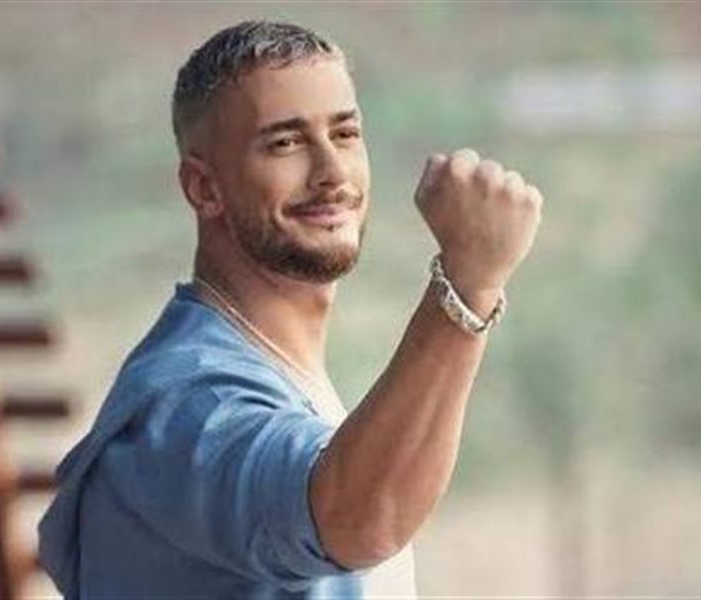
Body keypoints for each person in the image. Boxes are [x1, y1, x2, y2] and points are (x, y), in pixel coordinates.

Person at [38, 19, 542, 599]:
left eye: (345, 134)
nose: (332, 173)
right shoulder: (192, 406)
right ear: (204, 188)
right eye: (285, 143)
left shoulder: (269, 374)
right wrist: (467, 284)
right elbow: (356, 519)